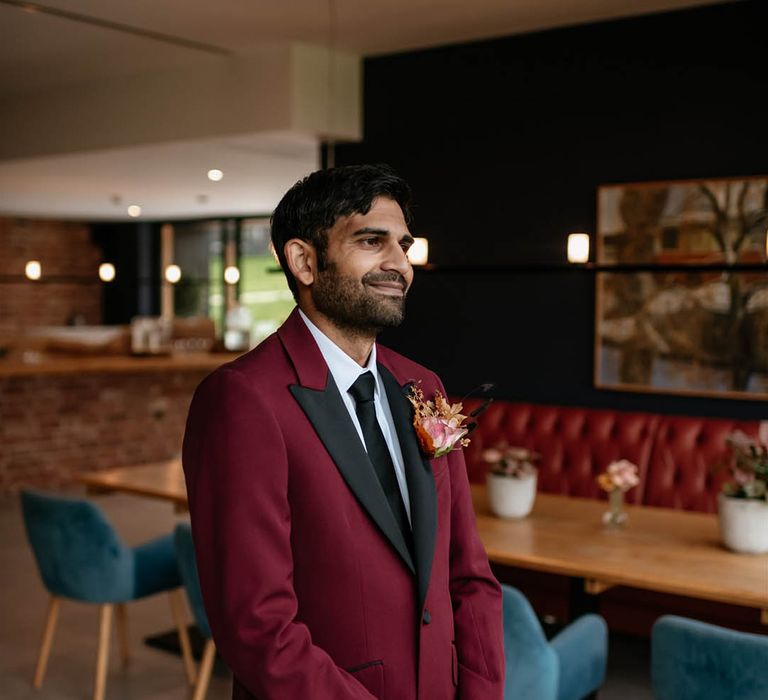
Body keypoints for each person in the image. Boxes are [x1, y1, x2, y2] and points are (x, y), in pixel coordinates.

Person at [182, 164, 504, 700]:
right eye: (372, 241)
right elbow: (257, 629)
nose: (399, 263)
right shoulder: (241, 399)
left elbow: (468, 574)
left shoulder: (423, 384)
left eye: (404, 244)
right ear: (304, 261)